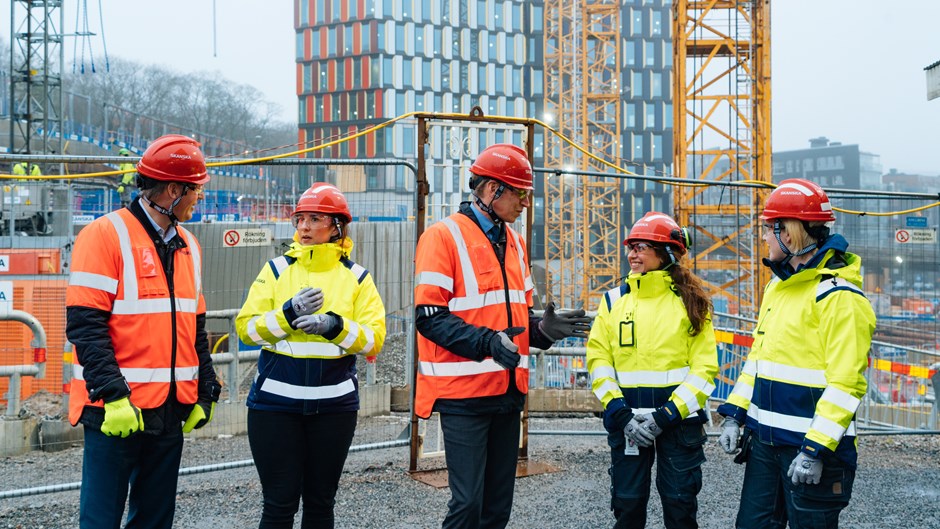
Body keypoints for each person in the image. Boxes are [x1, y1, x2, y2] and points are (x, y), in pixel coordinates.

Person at [413, 143, 593, 529]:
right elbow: (430, 318)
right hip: (463, 396)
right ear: (492, 190)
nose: (526, 202)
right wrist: (489, 342)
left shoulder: (515, 242)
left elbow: (515, 320)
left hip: (508, 393)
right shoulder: (442, 237)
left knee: (497, 510)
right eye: (520, 192)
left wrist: (541, 330)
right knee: (467, 506)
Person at [65, 134, 222, 529]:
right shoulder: (103, 235)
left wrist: (206, 389)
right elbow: (86, 326)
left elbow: (195, 328)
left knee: (155, 520)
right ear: (173, 190)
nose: (199, 197)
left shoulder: (189, 244)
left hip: (169, 410)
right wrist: (113, 396)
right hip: (117, 411)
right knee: (101, 519)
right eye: (196, 190)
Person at [716, 178, 876, 529]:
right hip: (765, 446)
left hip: (812, 452)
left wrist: (814, 450)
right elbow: (758, 362)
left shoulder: (839, 298)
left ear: (788, 233)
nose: (763, 238)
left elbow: (846, 384)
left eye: (767, 230)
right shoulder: (778, 287)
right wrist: (734, 415)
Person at [236, 182, 386, 529]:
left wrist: (333, 325)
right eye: (299, 219)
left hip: (333, 410)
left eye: (314, 218)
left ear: (337, 226)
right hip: (275, 408)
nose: (303, 227)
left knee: (320, 503)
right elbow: (247, 329)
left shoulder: (358, 278)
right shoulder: (275, 271)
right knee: (278, 502)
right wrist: (287, 315)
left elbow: (373, 340)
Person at [585, 212, 718, 529]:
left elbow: (704, 369)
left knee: (680, 506)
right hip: (626, 423)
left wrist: (665, 416)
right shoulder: (614, 300)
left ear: (667, 254)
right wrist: (620, 413)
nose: (632, 254)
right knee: (628, 507)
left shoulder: (691, 303)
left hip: (677, 425)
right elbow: (598, 360)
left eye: (642, 247)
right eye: (631, 246)